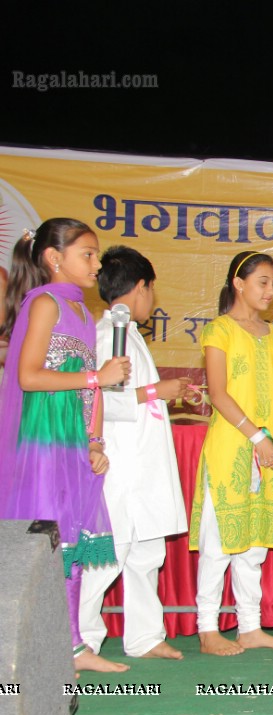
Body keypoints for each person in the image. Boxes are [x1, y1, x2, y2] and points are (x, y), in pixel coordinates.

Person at [0, 219, 130, 672]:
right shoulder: (46, 303)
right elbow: (28, 376)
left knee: (72, 538)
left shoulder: (82, 312)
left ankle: (73, 647)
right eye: (88, 254)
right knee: (46, 542)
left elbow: (87, 390)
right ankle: (35, 647)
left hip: (72, 439)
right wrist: (98, 376)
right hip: (43, 440)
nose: (97, 264)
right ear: (55, 259)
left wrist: (94, 441)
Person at [78, 246, 189, 661]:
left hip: (143, 464)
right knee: (108, 555)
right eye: (151, 289)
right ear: (141, 286)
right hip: (119, 463)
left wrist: (157, 394)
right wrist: (159, 392)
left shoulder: (129, 335)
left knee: (146, 552)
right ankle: (82, 640)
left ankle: (144, 637)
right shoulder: (109, 334)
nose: (151, 299)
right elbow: (100, 401)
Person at [189, 251, 273, 656]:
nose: (271, 290)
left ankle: (249, 626)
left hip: (270, 451)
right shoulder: (219, 330)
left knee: (253, 546)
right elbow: (218, 393)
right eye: (263, 282)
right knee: (219, 541)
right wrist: (258, 438)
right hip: (233, 447)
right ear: (239, 283)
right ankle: (207, 628)